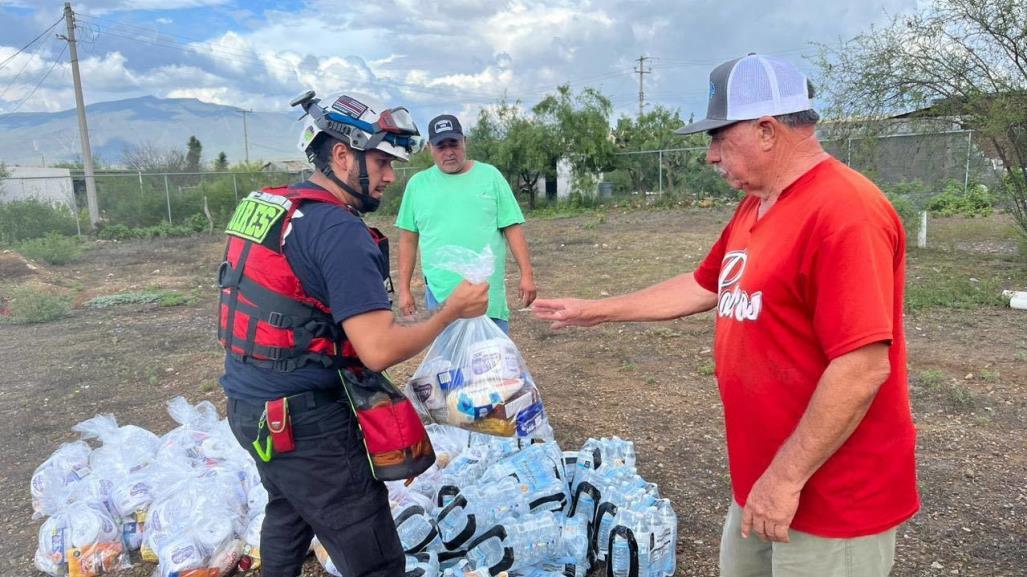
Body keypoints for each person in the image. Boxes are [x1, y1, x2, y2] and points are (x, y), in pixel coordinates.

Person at [533, 53, 918, 577]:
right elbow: (703, 284)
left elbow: (862, 366)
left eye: (719, 137)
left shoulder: (843, 211)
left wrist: (784, 479)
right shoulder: (758, 205)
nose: (711, 156)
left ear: (766, 129)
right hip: (764, 480)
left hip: (830, 499)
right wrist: (597, 311)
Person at [217, 91, 488, 577]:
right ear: (341, 155)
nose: (390, 176)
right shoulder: (338, 231)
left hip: (249, 404)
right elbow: (378, 349)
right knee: (375, 556)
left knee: (289, 510)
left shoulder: (272, 205)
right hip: (305, 423)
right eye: (382, 161)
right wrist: (449, 312)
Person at [395, 113, 535, 334]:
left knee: (495, 363)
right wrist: (404, 289)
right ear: (430, 147)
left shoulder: (490, 176)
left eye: (454, 144)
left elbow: (512, 228)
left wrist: (526, 275)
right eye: (441, 146)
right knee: (450, 364)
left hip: (486, 296)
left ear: (465, 142)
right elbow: (408, 241)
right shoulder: (417, 185)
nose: (449, 152)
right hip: (441, 296)